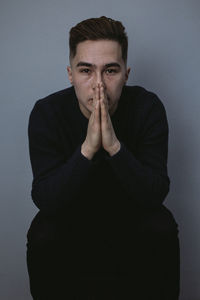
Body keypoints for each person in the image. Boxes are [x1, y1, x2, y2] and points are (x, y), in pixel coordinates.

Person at [26, 16, 180, 299]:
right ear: (70, 73)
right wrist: (87, 148)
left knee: (162, 226)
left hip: (132, 221)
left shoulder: (148, 107)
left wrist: (114, 147)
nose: (98, 84)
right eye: (86, 70)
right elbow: (45, 199)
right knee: (42, 235)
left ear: (126, 73)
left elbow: (155, 193)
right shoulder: (47, 113)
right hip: (71, 224)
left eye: (110, 70)